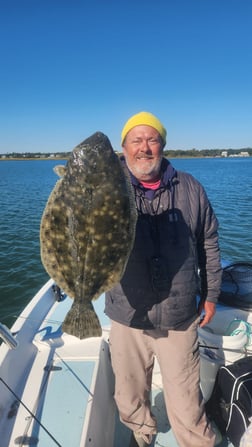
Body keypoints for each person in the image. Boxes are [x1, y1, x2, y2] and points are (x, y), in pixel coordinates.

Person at [105, 111, 222, 447]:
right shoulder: (109, 190)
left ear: (163, 144)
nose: (144, 148)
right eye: (136, 140)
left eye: (152, 139)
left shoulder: (190, 187)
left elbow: (209, 243)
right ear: (123, 148)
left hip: (179, 315)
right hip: (127, 312)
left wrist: (211, 294)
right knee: (129, 394)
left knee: (186, 402)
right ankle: (142, 433)